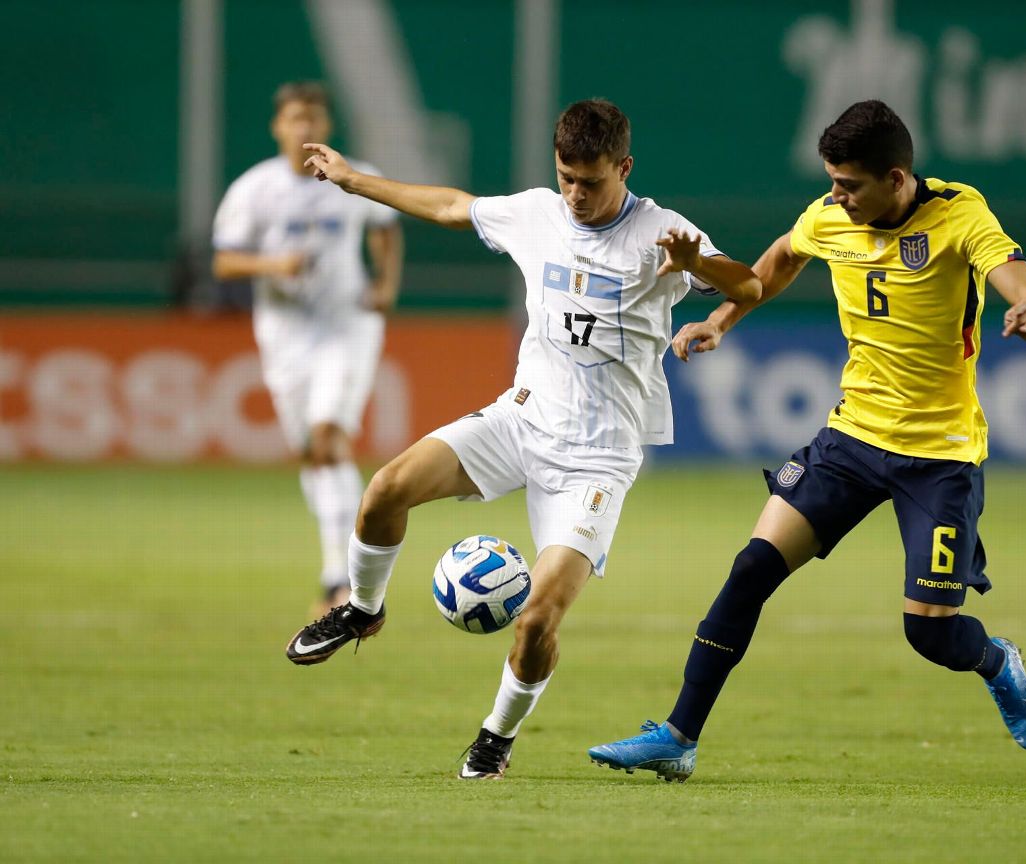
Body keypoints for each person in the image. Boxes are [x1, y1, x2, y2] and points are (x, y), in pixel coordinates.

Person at [282, 99, 761, 780]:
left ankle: (495, 737)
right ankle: (361, 610)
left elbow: (750, 283)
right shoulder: (539, 212)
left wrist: (702, 269)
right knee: (385, 490)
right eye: (566, 177)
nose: (576, 194)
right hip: (521, 419)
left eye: (591, 182)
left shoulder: (665, 232)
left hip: (597, 458)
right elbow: (451, 206)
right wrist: (353, 180)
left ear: (623, 168)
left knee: (536, 621)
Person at [588, 100, 1026, 782]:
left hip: (940, 458)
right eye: (832, 182)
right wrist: (722, 319)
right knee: (750, 571)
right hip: (850, 440)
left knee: (929, 632)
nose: (836, 197)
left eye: (850, 185)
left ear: (897, 179)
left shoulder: (959, 215)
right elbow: (777, 261)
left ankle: (995, 660)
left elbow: (1014, 274)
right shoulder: (830, 216)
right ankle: (679, 735)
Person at [212, 81, 404, 614]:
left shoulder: (351, 176)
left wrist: (385, 283)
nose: (306, 129)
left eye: (314, 119)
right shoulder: (254, 190)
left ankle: (339, 580)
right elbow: (224, 262)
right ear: (278, 126)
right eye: (296, 119)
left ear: (327, 125)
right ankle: (336, 572)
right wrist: (272, 265)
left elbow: (385, 227)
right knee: (310, 452)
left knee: (328, 439)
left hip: (347, 325)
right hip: (285, 335)